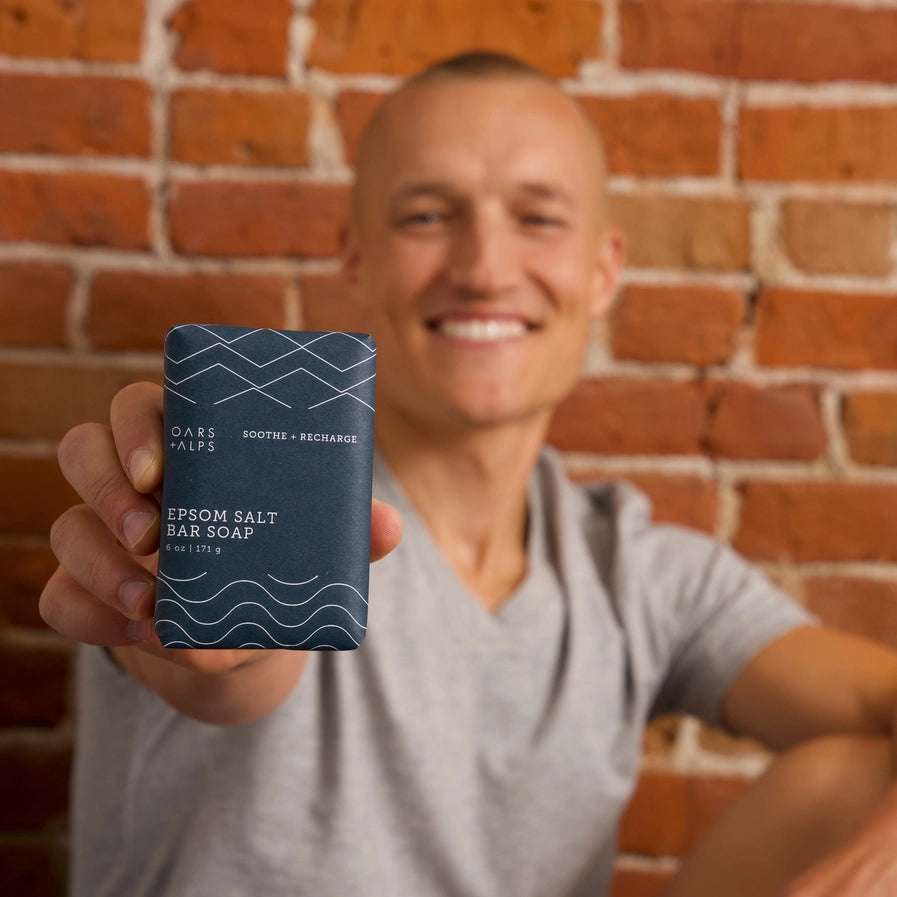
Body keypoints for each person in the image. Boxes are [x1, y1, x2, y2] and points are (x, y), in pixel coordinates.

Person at [41, 51, 897, 897]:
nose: (484, 268)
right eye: (424, 216)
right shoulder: (244, 485)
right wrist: (207, 619)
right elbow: (227, 666)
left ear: (602, 271)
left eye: (537, 218)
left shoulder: (644, 578)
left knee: (859, 781)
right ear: (355, 258)